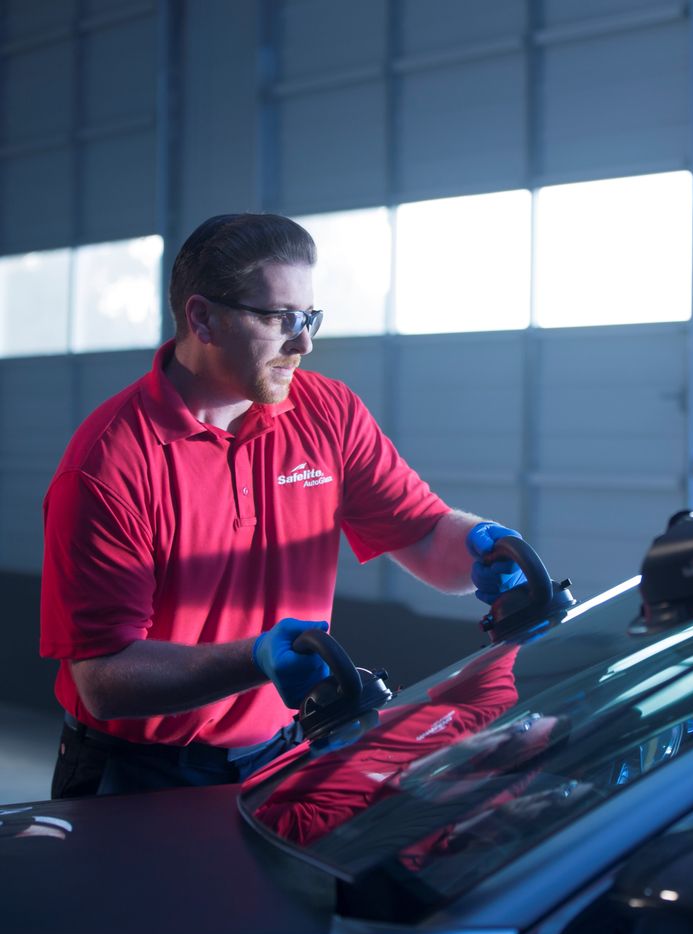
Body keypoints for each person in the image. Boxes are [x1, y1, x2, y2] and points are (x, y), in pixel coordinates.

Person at [39, 213, 527, 798]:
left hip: (285, 746)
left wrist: (481, 546)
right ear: (203, 318)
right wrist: (256, 659)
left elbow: (422, 536)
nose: (304, 343)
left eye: (310, 317)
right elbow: (103, 679)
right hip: (139, 771)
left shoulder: (328, 412)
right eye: (281, 319)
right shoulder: (110, 463)